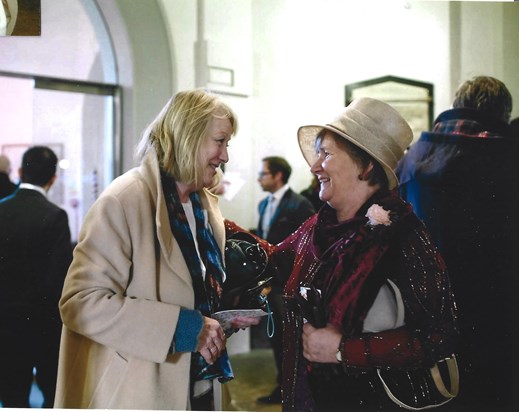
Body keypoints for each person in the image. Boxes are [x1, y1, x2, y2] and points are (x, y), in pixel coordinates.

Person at [227, 97, 458, 411]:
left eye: (326, 153)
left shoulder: (404, 235)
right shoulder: (317, 225)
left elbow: (439, 336)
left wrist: (343, 349)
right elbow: (276, 260)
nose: (314, 166)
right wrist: (219, 225)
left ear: (365, 166)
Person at [54, 89, 260, 411]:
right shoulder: (124, 199)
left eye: (227, 144)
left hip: (202, 387)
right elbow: (80, 303)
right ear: (188, 136)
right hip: (141, 392)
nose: (225, 156)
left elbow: (192, 293)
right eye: (220, 142)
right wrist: (185, 328)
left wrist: (225, 315)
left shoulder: (205, 207)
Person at [396, 76, 519, 412]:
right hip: (495, 312)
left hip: (423, 307)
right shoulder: (506, 155)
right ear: (502, 113)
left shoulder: (412, 158)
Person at [0, 146, 73, 408]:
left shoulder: (2, 210)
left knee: (12, 398)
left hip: (5, 324)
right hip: (43, 326)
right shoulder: (55, 216)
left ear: (20, 172)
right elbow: (59, 279)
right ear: (53, 178)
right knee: (52, 396)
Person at [255, 155, 315, 404]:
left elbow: (310, 245)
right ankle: (283, 388)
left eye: (263, 174)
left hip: (288, 288)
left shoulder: (299, 204)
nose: (259, 178)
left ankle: (295, 390)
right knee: (276, 340)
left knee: (291, 341)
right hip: (270, 286)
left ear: (278, 175)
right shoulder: (262, 205)